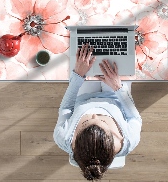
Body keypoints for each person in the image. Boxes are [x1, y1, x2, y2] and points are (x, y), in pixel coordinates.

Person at [54, 43, 142, 180]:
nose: (94, 114)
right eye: (102, 121)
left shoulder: (63, 138)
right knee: (120, 55)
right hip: (115, 96)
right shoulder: (130, 140)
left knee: (82, 59)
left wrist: (78, 75)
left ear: (75, 140)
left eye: (86, 122)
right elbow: (134, 118)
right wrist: (118, 87)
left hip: (83, 97)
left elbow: (66, 108)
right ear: (114, 138)